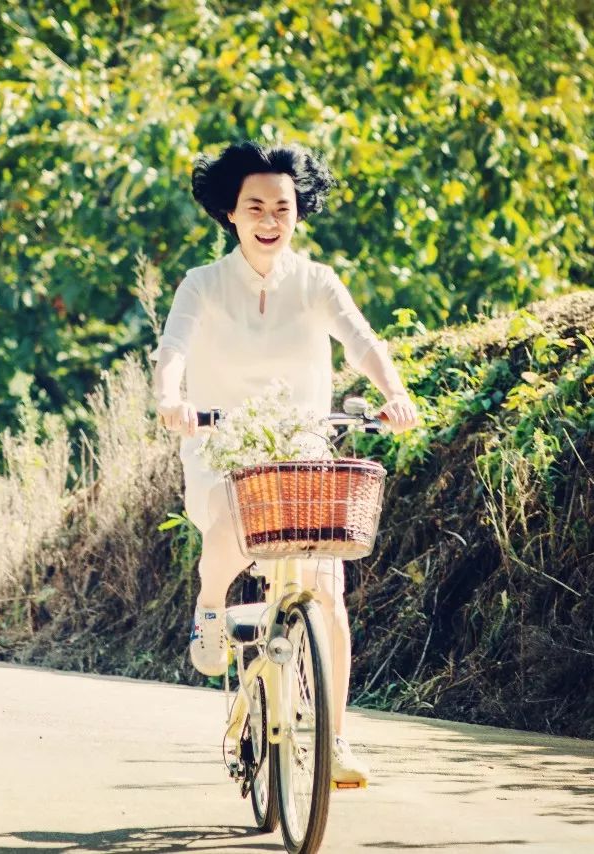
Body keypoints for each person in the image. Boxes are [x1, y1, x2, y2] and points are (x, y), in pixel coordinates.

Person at [151, 140, 419, 785]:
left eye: (282, 207)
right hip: (223, 449)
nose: (270, 220)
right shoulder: (203, 284)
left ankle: (335, 741)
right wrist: (170, 400)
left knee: (329, 591)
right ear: (231, 213)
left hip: (303, 450)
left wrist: (394, 393)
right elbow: (174, 348)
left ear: (299, 212)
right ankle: (210, 606)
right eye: (255, 207)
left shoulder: (316, 281)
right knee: (229, 523)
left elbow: (362, 342)